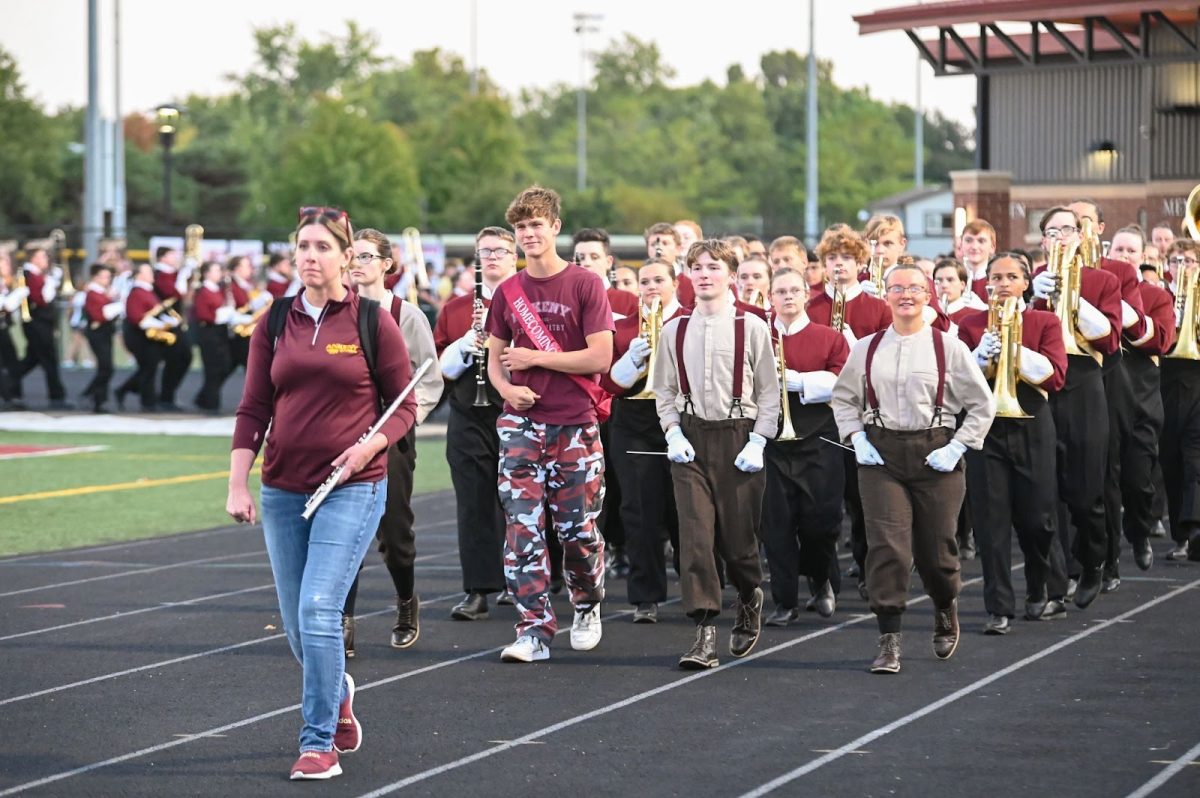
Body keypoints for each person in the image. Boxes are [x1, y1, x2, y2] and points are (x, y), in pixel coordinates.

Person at [227, 206, 418, 781]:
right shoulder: (274, 319)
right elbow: (254, 406)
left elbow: (403, 406)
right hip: (284, 489)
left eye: (321, 247)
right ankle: (338, 693)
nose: (309, 256)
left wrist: (367, 449)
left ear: (344, 254)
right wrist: (238, 480)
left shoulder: (372, 322)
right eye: (301, 247)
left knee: (318, 610)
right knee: (297, 626)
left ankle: (319, 742)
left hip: (353, 488)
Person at [832, 262, 995, 674]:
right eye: (897, 288)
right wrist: (857, 438)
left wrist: (958, 446)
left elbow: (981, 405)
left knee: (937, 550)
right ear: (885, 295)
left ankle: (944, 603)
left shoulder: (948, 347)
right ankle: (889, 640)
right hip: (881, 455)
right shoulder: (866, 348)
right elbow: (844, 399)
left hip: (934, 452)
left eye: (915, 288)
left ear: (929, 296)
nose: (906, 295)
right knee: (887, 548)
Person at [485, 186, 614, 663]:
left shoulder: (584, 284)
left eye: (536, 224)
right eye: (521, 227)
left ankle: (587, 603)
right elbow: (496, 358)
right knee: (522, 530)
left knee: (577, 531)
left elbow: (600, 356)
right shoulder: (508, 291)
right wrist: (505, 389)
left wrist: (537, 357)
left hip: (575, 426)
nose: (528, 234)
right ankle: (533, 629)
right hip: (521, 424)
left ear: (555, 227)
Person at [651, 239, 779, 669]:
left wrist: (759, 440)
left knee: (739, 542)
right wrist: (671, 432)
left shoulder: (753, 327)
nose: (704, 274)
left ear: (730, 275)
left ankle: (748, 593)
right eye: (697, 268)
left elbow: (769, 394)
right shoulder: (675, 329)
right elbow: (664, 390)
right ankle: (704, 630)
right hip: (690, 439)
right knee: (695, 537)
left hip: (738, 436)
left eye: (713, 267)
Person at [341, 228, 443, 654]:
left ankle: (406, 600)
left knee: (394, 532)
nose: (357, 264)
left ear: (386, 264)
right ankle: (342, 620)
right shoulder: (335, 312)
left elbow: (429, 379)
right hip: (342, 434)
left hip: (391, 435)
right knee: (342, 532)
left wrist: (401, 423)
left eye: (366, 256)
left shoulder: (407, 315)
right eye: (353, 257)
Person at [957, 252, 1067, 633]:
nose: (1002, 284)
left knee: (1038, 518)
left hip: (1032, 422)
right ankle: (998, 607)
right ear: (986, 283)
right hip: (986, 428)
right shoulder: (971, 325)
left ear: (1025, 283)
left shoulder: (1044, 321)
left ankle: (1039, 585)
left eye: (1011, 277)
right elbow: (957, 383)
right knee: (990, 522)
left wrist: (1014, 349)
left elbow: (1055, 377)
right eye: (996, 277)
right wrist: (978, 355)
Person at [1031, 207, 1123, 614]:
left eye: (1068, 230)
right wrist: (1037, 294)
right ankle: (1054, 583)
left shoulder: (1103, 280)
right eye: (1053, 232)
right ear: (1043, 242)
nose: (1061, 237)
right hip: (1041, 383)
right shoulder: (1032, 281)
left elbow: (1110, 340)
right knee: (1044, 494)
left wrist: (1072, 297)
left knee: (1086, 494)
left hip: (1084, 381)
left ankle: (1093, 562)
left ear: (1082, 236)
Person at [435, 227, 518, 620]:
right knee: (473, 502)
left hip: (518, 410)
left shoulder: (530, 301)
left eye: (500, 251)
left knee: (520, 502)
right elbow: (438, 370)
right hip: (469, 410)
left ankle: (520, 582)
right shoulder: (456, 308)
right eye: (485, 251)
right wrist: (462, 346)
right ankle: (478, 588)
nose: (492, 257)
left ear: (514, 255)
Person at [760, 267, 849, 626]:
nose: (788, 296)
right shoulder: (759, 336)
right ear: (770, 298)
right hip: (771, 440)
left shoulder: (829, 337)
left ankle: (821, 577)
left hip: (820, 439)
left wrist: (796, 381)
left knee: (821, 522)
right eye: (780, 291)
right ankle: (784, 601)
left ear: (806, 295)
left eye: (795, 290)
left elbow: (843, 381)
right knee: (776, 524)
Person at [604, 257, 687, 624]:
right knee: (638, 509)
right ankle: (645, 597)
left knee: (684, 508)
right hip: (634, 421)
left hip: (682, 419)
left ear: (674, 284)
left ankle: (697, 585)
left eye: (658, 279)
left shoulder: (689, 321)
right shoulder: (622, 328)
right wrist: (632, 363)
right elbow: (608, 383)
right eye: (644, 281)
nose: (651, 286)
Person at [1107, 224, 1175, 574]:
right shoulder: (1095, 289)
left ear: (1144, 256)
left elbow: (1162, 340)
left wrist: (1130, 316)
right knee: (1103, 484)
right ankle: (1108, 560)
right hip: (1104, 398)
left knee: (1138, 481)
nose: (1124, 257)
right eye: (1118, 250)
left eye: (1131, 251)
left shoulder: (1156, 296)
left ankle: (1138, 532)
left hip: (1141, 399)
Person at [572, 227, 633, 579]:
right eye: (580, 257)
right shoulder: (568, 297)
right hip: (578, 402)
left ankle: (620, 547)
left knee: (619, 480)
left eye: (594, 257)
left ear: (608, 261)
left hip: (615, 401)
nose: (587, 263)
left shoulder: (627, 302)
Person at [1160, 239, 1200, 561]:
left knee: (1194, 457)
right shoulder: (1161, 298)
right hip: (1168, 383)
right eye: (1175, 261)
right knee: (1171, 459)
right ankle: (1181, 535)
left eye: (1188, 260)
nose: (1181, 266)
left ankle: (1195, 530)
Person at [115, 263, 177, 412]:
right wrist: (161, 325)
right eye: (148, 272)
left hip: (148, 336)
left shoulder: (147, 291)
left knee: (148, 367)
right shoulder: (136, 292)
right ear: (139, 275)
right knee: (149, 367)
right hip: (138, 336)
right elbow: (137, 317)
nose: (152, 274)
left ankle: (127, 392)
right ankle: (147, 402)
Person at [14, 244, 70, 409]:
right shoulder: (29, 275)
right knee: (49, 359)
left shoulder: (37, 275)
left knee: (32, 359)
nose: (46, 259)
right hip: (37, 323)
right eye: (43, 256)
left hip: (42, 323)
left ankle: (7, 384)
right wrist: (52, 281)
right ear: (34, 258)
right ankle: (57, 397)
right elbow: (40, 300)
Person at [192, 261, 250, 415]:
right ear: (207, 273)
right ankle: (211, 405)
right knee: (213, 368)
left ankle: (206, 399)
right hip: (209, 333)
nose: (219, 273)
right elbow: (204, 314)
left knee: (222, 366)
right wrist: (225, 313)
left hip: (220, 332)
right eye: (216, 270)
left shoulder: (218, 290)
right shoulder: (203, 291)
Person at [150, 246, 194, 412]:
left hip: (176, 322)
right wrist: (183, 274)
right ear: (162, 257)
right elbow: (174, 293)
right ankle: (165, 397)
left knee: (184, 357)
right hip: (165, 323)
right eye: (171, 255)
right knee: (174, 359)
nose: (175, 258)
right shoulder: (160, 275)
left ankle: (168, 394)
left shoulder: (172, 274)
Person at [80, 263, 123, 413]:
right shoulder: (93, 293)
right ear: (95, 277)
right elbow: (98, 314)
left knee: (106, 368)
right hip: (97, 333)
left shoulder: (102, 292)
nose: (107, 280)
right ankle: (91, 394)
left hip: (105, 332)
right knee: (106, 368)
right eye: (104, 277)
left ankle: (99, 400)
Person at [0, 250, 28, 408]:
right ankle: (8, 397)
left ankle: (13, 395)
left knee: (13, 362)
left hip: (4, 328)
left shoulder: (6, 283)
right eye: (4, 263)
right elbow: (5, 306)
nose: (7, 267)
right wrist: (16, 296)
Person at [647, 222, 692, 307]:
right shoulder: (638, 282)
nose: (659, 248)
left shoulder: (691, 285)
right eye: (653, 244)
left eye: (665, 243)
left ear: (678, 249)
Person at [934, 258, 987, 324]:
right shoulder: (929, 313)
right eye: (939, 281)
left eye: (950, 280)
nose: (944, 285)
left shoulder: (976, 315)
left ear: (962, 285)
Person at [959, 219, 998, 303]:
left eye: (981, 241)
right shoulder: (953, 279)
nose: (974, 246)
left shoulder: (998, 281)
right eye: (968, 240)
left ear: (992, 247)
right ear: (961, 245)